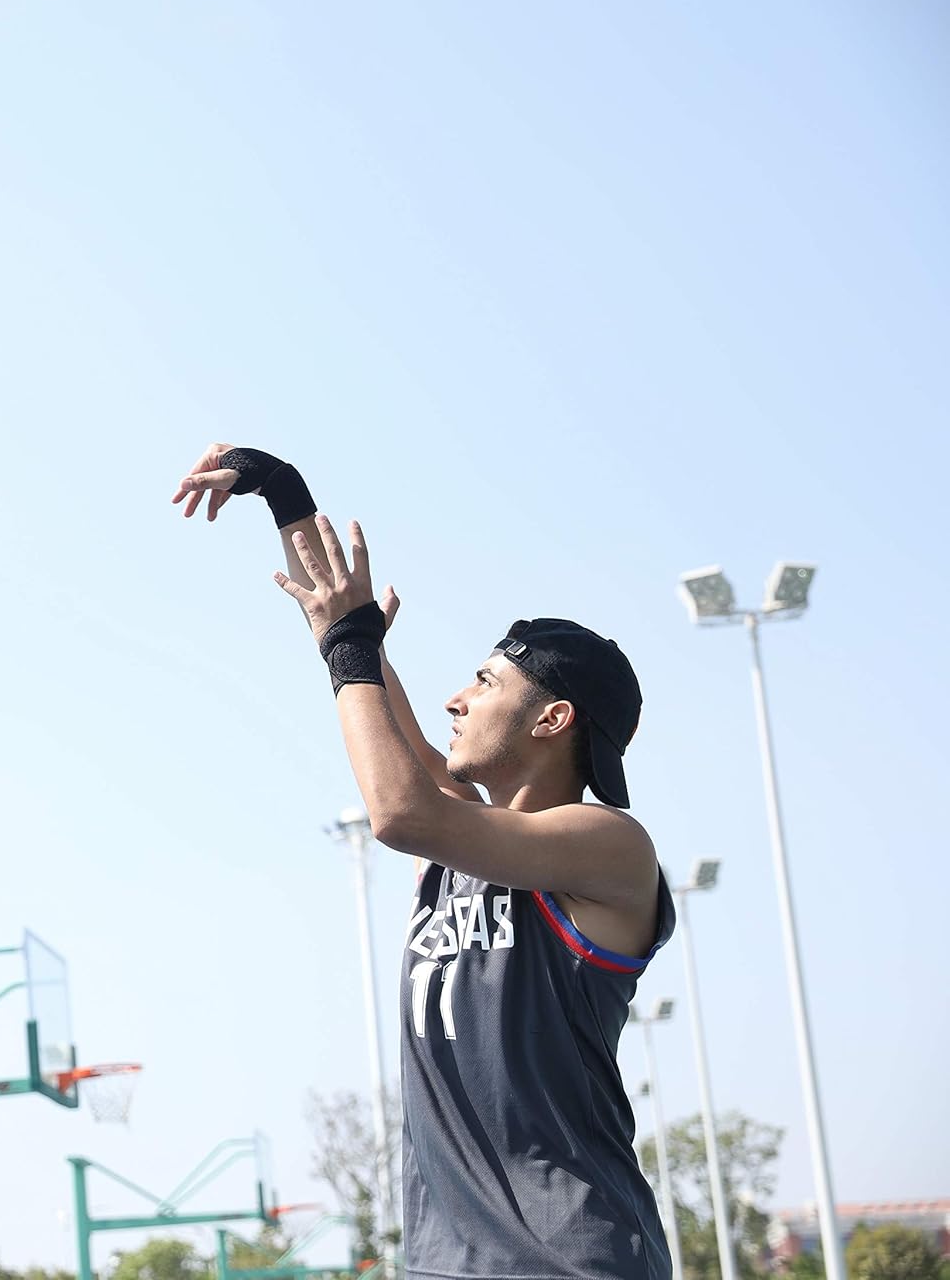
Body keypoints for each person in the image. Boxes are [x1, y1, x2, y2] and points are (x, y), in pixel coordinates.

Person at [173, 443, 675, 1280]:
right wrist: (280, 490)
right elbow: (348, 637)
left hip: (572, 1259)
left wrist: (351, 645)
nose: (455, 698)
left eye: (483, 682)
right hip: (446, 1260)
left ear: (553, 721)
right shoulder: (459, 845)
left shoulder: (609, 846)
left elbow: (397, 808)